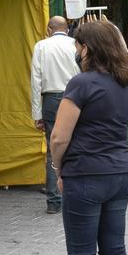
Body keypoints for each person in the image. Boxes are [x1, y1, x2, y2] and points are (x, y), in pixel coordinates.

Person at [38, 20, 128, 255]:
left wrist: (58, 167)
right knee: (115, 252)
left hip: (86, 175)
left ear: (88, 49)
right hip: (120, 174)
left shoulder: (80, 84)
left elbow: (59, 136)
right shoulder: (125, 84)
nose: (76, 51)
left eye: (78, 46)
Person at [31, 16, 80, 214]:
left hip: (51, 100)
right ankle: (75, 195)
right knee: (77, 145)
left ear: (50, 28)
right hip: (75, 97)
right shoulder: (75, 45)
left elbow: (36, 81)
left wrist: (37, 113)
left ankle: (53, 200)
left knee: (54, 150)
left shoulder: (41, 46)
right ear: (67, 28)